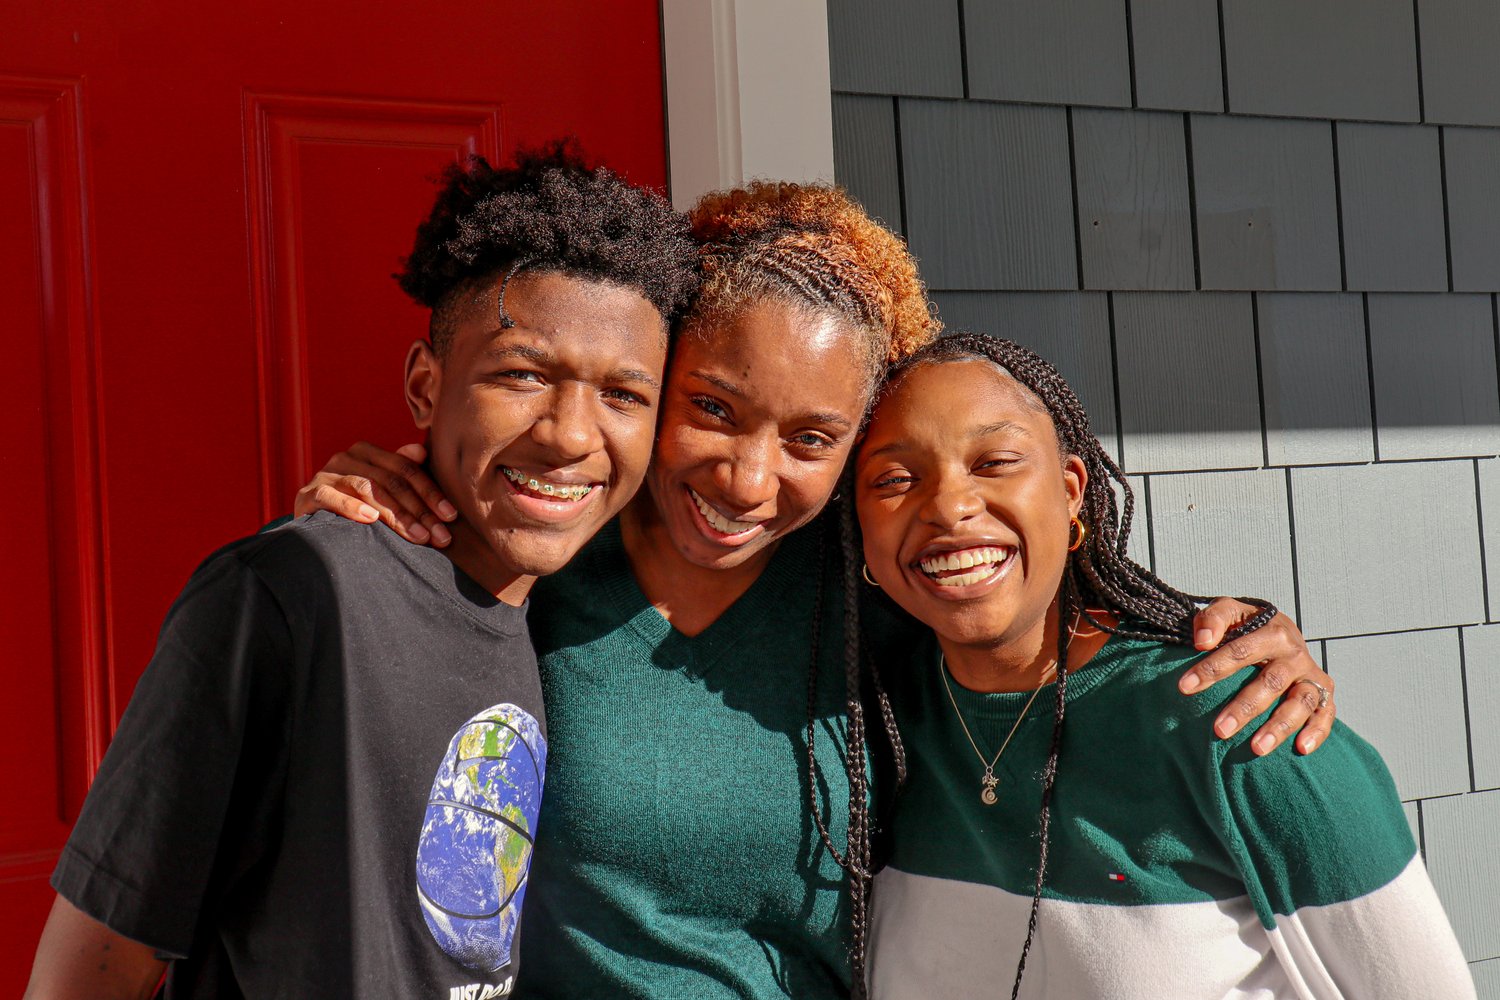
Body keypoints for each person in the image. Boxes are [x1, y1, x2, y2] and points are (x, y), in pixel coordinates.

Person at [296, 183, 1339, 999]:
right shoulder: (544, 553)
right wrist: (367, 508)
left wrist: (1233, 637)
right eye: (712, 406)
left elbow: (1043, 639)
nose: (748, 481)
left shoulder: (876, 595)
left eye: (810, 439)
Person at [24, 146, 700, 999]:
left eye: (625, 396)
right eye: (522, 374)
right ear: (425, 387)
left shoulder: (580, 609)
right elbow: (90, 970)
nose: (570, 434)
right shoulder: (292, 595)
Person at [854, 333, 1474, 999]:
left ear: (1070, 494)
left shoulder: (1242, 722)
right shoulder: (864, 733)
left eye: (995, 461)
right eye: (894, 479)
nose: (949, 506)